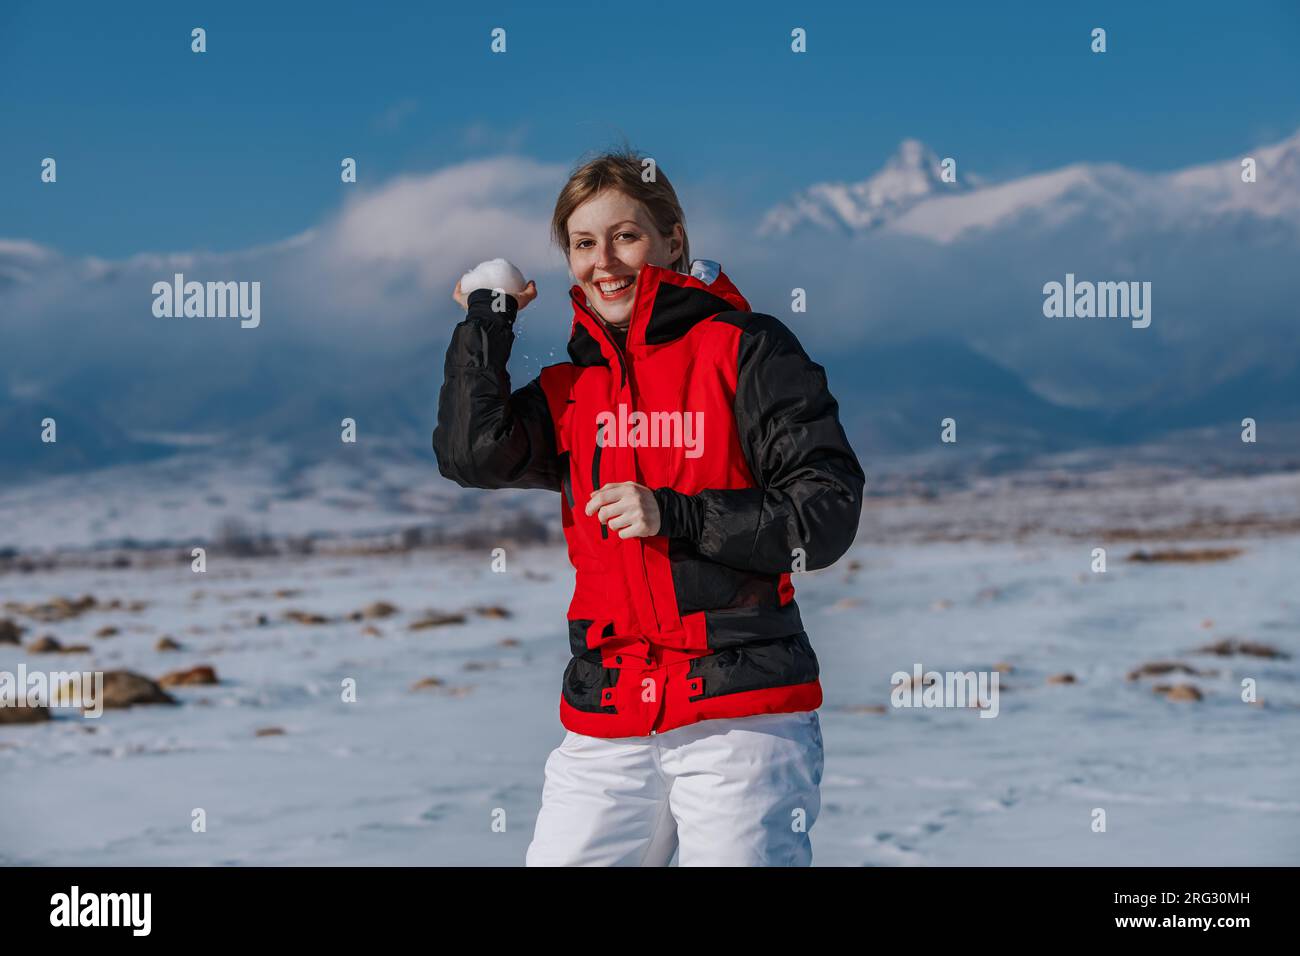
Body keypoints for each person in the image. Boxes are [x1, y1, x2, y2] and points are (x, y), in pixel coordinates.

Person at [433, 148, 865, 866]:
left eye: (626, 235)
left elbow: (825, 515)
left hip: (740, 714)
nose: (605, 261)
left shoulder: (747, 350)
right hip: (608, 712)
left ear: (673, 241)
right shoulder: (576, 386)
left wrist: (680, 514)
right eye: (582, 243)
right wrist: (488, 319)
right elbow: (473, 455)